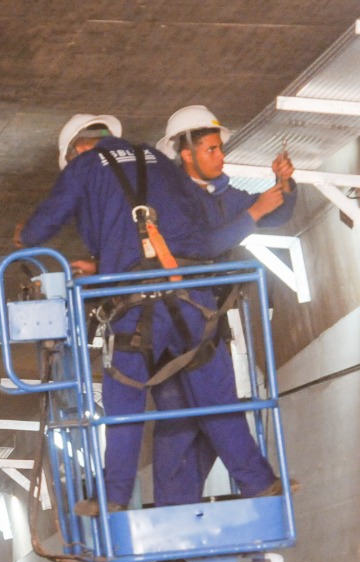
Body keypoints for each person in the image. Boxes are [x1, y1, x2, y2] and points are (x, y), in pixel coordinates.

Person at [15, 113, 283, 514]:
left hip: (134, 300)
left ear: (78, 149)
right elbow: (203, 226)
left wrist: (24, 234)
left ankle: (115, 499)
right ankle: (260, 484)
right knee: (216, 398)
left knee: (124, 400)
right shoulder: (159, 162)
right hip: (190, 295)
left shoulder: (84, 167)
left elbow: (41, 228)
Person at [150, 105, 298, 506]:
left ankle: (177, 507)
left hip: (207, 320)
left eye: (219, 148)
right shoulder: (171, 199)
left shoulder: (224, 196)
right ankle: (239, 487)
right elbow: (200, 248)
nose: (221, 156)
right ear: (186, 152)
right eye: (212, 149)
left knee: (201, 422)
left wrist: (284, 183)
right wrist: (254, 211)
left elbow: (277, 214)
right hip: (172, 319)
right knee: (181, 421)